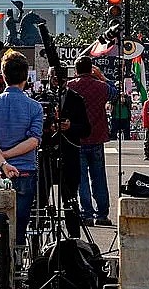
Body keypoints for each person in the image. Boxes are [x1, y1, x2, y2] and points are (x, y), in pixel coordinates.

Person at [0, 50, 44, 245]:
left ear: (3, 75)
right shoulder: (34, 107)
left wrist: (2, 160)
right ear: (26, 77)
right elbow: (34, 141)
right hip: (24, 170)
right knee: (20, 227)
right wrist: (8, 156)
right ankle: (17, 265)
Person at [32, 65, 90, 238]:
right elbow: (31, 128)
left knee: (70, 200)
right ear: (48, 78)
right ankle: (36, 238)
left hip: (69, 154)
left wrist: (70, 126)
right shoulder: (39, 98)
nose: (57, 82)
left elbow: (86, 129)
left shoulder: (76, 99)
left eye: (61, 79)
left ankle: (74, 240)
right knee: (40, 199)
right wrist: (46, 127)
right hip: (45, 154)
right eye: (54, 78)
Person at [67, 57, 116, 226]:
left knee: (81, 179)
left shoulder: (70, 86)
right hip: (97, 136)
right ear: (91, 70)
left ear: (76, 70)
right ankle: (102, 214)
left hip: (77, 138)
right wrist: (102, 76)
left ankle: (86, 213)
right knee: (99, 177)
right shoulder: (102, 87)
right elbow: (115, 92)